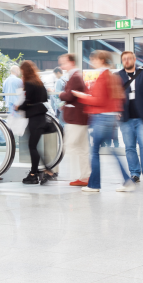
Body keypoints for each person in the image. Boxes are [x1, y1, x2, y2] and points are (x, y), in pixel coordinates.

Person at [74, 50, 132, 193]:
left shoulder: (103, 77)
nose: (92, 61)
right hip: (109, 118)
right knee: (110, 150)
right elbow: (117, 98)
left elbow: (98, 100)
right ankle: (126, 179)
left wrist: (82, 96)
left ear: (100, 60)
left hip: (100, 118)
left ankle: (94, 185)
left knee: (94, 151)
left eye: (93, 59)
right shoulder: (112, 76)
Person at [117, 51, 143, 184]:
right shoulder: (118, 76)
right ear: (122, 61)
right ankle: (134, 173)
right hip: (125, 117)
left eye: (129, 58)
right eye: (124, 59)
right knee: (129, 147)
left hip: (142, 117)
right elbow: (114, 95)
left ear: (134, 59)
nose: (127, 61)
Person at [16, 60, 56, 185]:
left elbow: (27, 101)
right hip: (41, 117)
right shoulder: (39, 82)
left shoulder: (28, 83)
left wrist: (18, 107)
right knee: (34, 146)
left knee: (32, 146)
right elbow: (45, 97)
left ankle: (35, 174)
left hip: (34, 119)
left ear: (24, 71)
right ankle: (43, 171)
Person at [58, 54, 90, 186]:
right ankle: (84, 177)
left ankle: (80, 176)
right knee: (81, 148)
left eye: (63, 63)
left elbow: (69, 95)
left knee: (72, 146)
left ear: (71, 62)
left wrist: (61, 94)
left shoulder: (75, 77)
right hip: (79, 119)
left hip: (76, 120)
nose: (61, 66)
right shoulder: (75, 76)